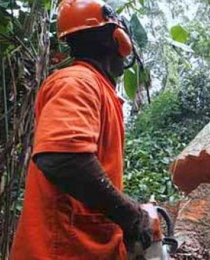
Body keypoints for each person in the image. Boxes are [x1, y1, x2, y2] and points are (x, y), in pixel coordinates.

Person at [11, 0, 152, 258]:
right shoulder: (78, 82)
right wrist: (129, 214)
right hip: (60, 249)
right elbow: (63, 158)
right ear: (116, 40)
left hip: (83, 246)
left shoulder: (97, 88)